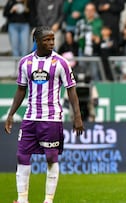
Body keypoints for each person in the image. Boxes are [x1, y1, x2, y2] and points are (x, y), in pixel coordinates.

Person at [4, 26, 84, 203]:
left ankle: (48, 200)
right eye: (47, 40)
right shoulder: (25, 62)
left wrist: (77, 116)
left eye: (53, 39)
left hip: (51, 118)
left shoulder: (61, 62)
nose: (51, 43)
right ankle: (22, 199)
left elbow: (71, 90)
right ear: (36, 41)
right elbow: (20, 89)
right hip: (30, 117)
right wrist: (11, 114)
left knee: (50, 157)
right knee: (21, 155)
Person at [74, 2, 103, 81]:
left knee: (94, 73)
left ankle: (97, 92)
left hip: (94, 51)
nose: (89, 12)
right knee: (82, 73)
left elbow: (102, 36)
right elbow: (76, 39)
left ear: (94, 11)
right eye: (87, 10)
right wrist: (83, 39)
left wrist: (96, 38)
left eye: (91, 10)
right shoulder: (80, 23)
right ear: (84, 12)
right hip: (82, 51)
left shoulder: (99, 22)